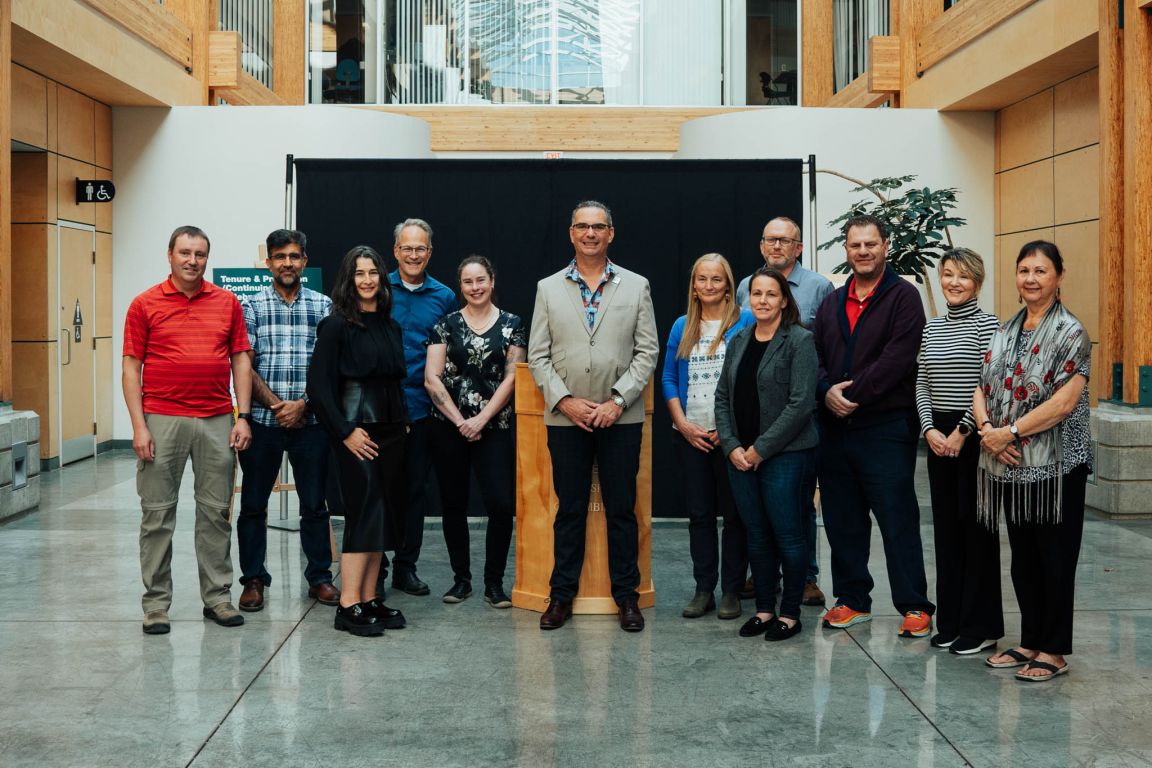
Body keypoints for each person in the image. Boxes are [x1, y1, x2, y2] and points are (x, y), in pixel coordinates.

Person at [528, 200, 659, 632]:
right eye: (582, 226)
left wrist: (618, 400)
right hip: (566, 418)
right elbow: (538, 356)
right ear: (571, 233)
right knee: (569, 510)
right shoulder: (548, 288)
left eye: (598, 227)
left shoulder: (636, 286)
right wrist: (565, 401)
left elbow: (648, 352)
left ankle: (628, 598)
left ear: (610, 233)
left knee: (623, 509)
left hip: (620, 417)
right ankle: (560, 596)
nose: (590, 234)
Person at [123, 225, 253, 635]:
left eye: (199, 254)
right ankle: (156, 605)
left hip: (217, 419)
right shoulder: (144, 304)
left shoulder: (227, 302)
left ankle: (217, 598)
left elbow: (241, 361)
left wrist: (243, 415)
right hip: (162, 420)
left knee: (215, 514)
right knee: (157, 516)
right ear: (170, 255)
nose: (192, 261)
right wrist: (139, 426)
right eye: (185, 252)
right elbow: (131, 368)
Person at [812, 213, 934, 637]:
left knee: (897, 517)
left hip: (884, 426)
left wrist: (851, 395)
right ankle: (851, 600)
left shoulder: (904, 297)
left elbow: (898, 359)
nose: (862, 251)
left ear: (885, 246)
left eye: (870, 244)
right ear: (846, 251)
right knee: (843, 519)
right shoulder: (831, 301)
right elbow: (817, 359)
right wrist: (827, 390)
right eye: (855, 245)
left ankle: (915, 605)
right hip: (836, 428)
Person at [976, 240, 1091, 682]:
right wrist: (988, 432)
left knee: (1055, 558)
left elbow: (1064, 403)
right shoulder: (1006, 329)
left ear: (1059, 276)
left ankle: (1055, 649)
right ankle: (1029, 641)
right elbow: (981, 385)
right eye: (1024, 270)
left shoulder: (1071, 332)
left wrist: (1012, 432)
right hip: (1008, 463)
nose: (1030, 278)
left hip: (1057, 469)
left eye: (1041, 271)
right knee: (1023, 558)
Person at [307, 246, 409, 637]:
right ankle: (348, 604)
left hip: (392, 431)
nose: (367, 280)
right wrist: (345, 432)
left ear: (382, 279)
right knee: (363, 514)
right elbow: (318, 387)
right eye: (359, 274)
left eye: (373, 273)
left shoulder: (389, 325)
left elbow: (393, 378)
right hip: (355, 431)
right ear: (348, 280)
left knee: (383, 515)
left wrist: (403, 423)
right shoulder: (335, 325)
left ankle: (369, 598)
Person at [236, 229, 339, 613]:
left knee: (314, 504)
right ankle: (253, 580)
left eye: (294, 256)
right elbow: (244, 362)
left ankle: (319, 578)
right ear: (268, 263)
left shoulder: (324, 306)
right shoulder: (251, 306)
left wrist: (305, 405)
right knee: (253, 506)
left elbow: (331, 366)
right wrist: (281, 406)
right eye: (280, 257)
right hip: (263, 422)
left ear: (304, 262)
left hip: (311, 424)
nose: (287, 264)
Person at [715, 268, 819, 642]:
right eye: (756, 294)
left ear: (784, 301)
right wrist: (732, 446)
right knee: (756, 536)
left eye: (770, 294)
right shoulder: (739, 339)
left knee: (788, 535)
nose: (762, 300)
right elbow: (722, 397)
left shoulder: (799, 341)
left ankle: (789, 613)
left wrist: (760, 449)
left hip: (786, 456)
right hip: (740, 457)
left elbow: (801, 404)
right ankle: (763, 609)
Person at [736, 216, 833, 607]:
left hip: (796, 420)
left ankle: (806, 577)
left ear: (798, 247)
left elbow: (824, 347)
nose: (776, 246)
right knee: (758, 516)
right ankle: (764, 577)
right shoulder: (746, 286)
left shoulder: (819, 287)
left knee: (798, 507)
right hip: (752, 422)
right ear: (761, 246)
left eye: (784, 240)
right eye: (770, 240)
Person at [424, 255, 526, 608]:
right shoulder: (445, 325)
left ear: (492, 280)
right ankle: (461, 580)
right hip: (449, 427)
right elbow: (431, 378)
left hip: (494, 426)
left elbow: (514, 377)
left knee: (500, 504)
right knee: (453, 504)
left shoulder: (513, 324)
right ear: (460, 286)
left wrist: (481, 419)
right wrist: (460, 421)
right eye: (468, 282)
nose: (475, 287)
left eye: (480, 280)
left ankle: (493, 583)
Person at [915, 248, 1003, 655]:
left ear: (978, 283)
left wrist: (962, 431)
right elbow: (921, 381)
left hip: (975, 440)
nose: (954, 282)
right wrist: (929, 428)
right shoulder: (932, 329)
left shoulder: (991, 328)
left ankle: (981, 625)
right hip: (937, 438)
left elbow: (989, 385)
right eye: (948, 274)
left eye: (963, 276)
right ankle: (950, 621)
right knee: (947, 532)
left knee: (977, 531)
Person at [661, 253, 753, 620]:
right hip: (690, 435)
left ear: (728, 284)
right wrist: (683, 424)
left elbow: (749, 378)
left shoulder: (744, 320)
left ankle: (731, 590)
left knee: (735, 516)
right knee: (699, 515)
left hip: (731, 437)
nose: (709, 286)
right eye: (702, 279)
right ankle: (704, 589)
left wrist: (728, 430)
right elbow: (667, 378)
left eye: (717, 279)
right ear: (694, 286)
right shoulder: (681, 325)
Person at [387, 218, 457, 597]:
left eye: (421, 249)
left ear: (429, 253)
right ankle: (375, 564)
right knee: (381, 490)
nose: (414, 255)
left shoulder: (444, 297)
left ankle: (405, 566)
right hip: (381, 412)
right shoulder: (376, 287)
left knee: (415, 491)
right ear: (396, 251)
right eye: (407, 248)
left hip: (425, 409)